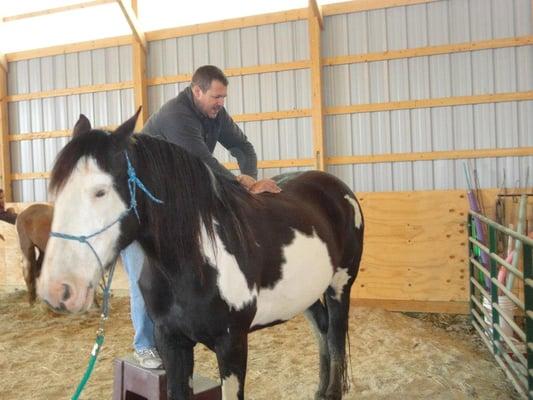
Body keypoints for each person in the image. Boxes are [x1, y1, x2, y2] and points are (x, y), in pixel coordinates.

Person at [122, 65, 280, 368]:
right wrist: (244, 186)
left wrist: (249, 175)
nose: (220, 102)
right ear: (197, 91)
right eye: (215, 96)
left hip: (172, 208)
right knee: (142, 275)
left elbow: (243, 146)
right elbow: (203, 163)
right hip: (142, 208)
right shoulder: (176, 116)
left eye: (223, 97)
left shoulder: (215, 114)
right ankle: (144, 344)